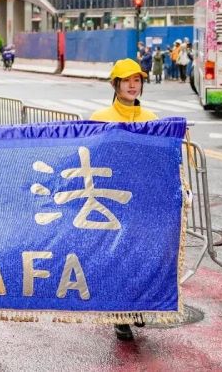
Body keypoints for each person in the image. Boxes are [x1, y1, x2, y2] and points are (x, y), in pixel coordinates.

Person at [90, 59, 157, 341]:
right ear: (114, 84)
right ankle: (120, 315)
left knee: (142, 254)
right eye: (127, 80)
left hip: (142, 201)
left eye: (137, 80)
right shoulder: (99, 119)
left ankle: (138, 305)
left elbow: (165, 160)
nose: (133, 85)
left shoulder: (151, 120)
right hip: (111, 202)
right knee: (117, 255)